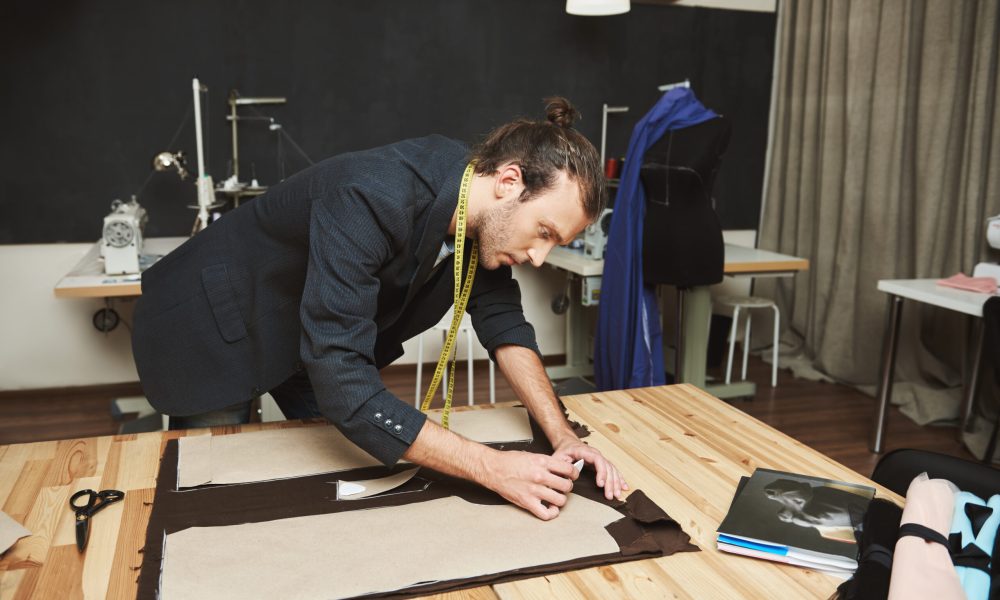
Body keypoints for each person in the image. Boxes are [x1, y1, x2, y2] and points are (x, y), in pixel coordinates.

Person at [132, 97, 626, 520]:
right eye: (543, 232)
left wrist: (562, 436)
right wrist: (491, 466)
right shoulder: (371, 194)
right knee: (212, 499)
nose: (539, 258)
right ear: (508, 180)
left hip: (308, 331)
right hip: (214, 325)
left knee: (347, 467)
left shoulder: (479, 213)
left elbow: (506, 326)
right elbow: (345, 384)